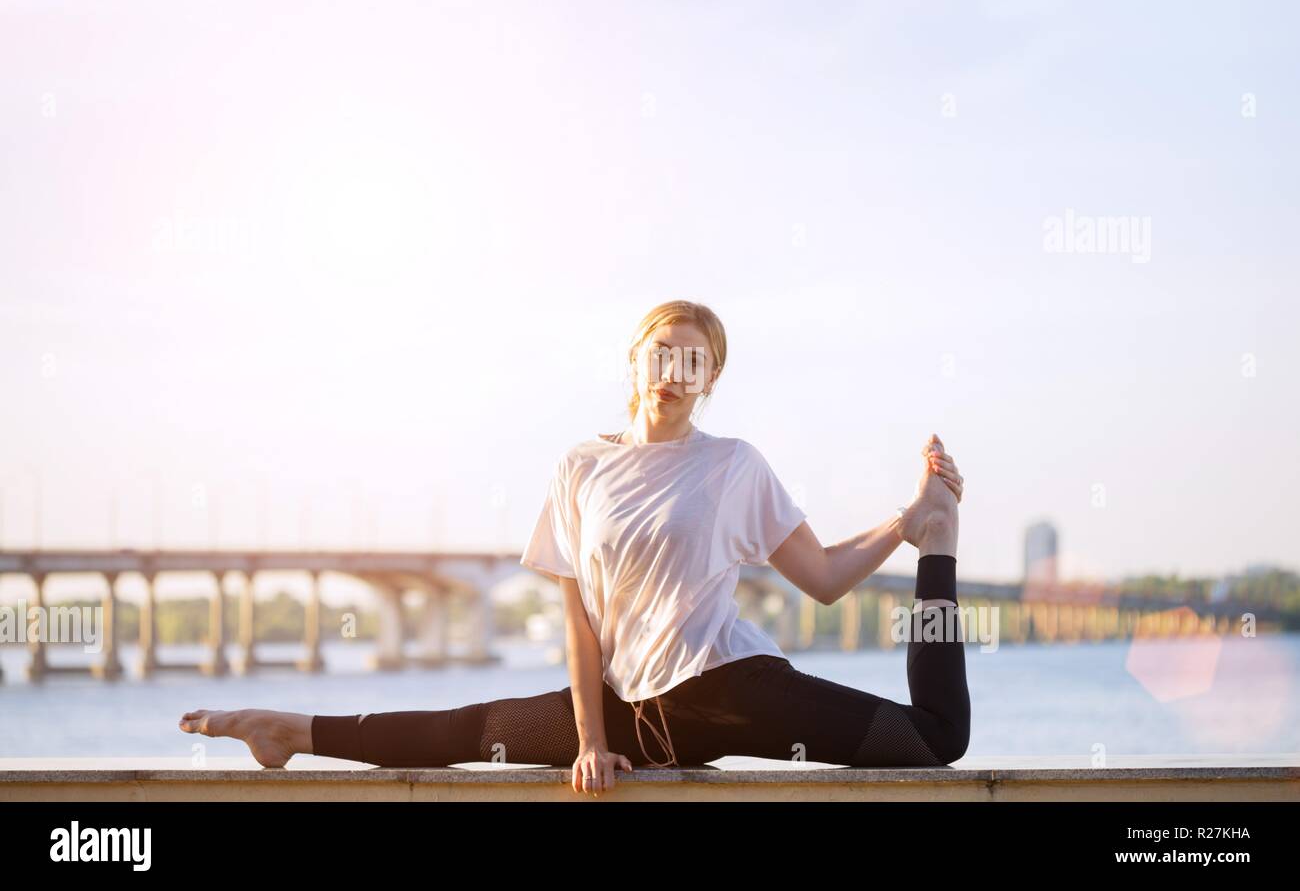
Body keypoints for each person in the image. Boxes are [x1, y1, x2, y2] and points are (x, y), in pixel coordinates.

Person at [179, 299, 969, 797]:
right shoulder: (579, 468)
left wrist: (909, 525)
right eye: (662, 352)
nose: (674, 370)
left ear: (711, 377)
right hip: (629, 714)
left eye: (694, 359)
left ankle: (941, 537)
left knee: (935, 740)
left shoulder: (734, 465)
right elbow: (579, 622)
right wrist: (591, 742)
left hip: (734, 690)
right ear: (635, 361)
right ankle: (285, 729)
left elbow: (825, 577)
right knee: (469, 729)